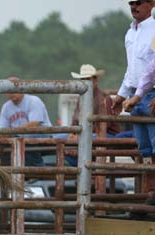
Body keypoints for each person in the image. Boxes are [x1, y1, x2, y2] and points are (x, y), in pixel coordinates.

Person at [113, 0, 155, 212]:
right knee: (145, 148)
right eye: (131, 3)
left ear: (151, 4)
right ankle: (151, 193)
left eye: (138, 3)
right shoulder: (131, 33)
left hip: (150, 93)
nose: (133, 7)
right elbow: (134, 69)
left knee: (154, 145)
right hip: (138, 94)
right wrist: (122, 94)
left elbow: (151, 69)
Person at [55, 64, 124, 166]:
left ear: (95, 80)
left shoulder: (104, 98)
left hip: (106, 135)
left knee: (70, 140)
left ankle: (85, 168)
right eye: (83, 79)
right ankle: (85, 167)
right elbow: (75, 121)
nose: (86, 82)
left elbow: (105, 126)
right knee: (58, 138)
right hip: (90, 134)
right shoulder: (81, 99)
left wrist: (79, 135)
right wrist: (73, 133)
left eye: (88, 79)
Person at [122, 39, 155, 210]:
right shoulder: (153, 63)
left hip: (148, 97)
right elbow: (146, 78)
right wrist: (134, 99)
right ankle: (152, 192)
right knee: (146, 149)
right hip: (145, 97)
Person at [0, 77, 52, 167]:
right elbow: (1, 129)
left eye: (14, 89)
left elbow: (34, 124)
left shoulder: (33, 100)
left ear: (22, 89)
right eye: (9, 90)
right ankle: (9, 170)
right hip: (17, 136)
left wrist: (12, 133)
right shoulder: (6, 107)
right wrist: (5, 135)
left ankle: (37, 168)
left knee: (27, 136)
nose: (12, 92)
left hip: (42, 134)